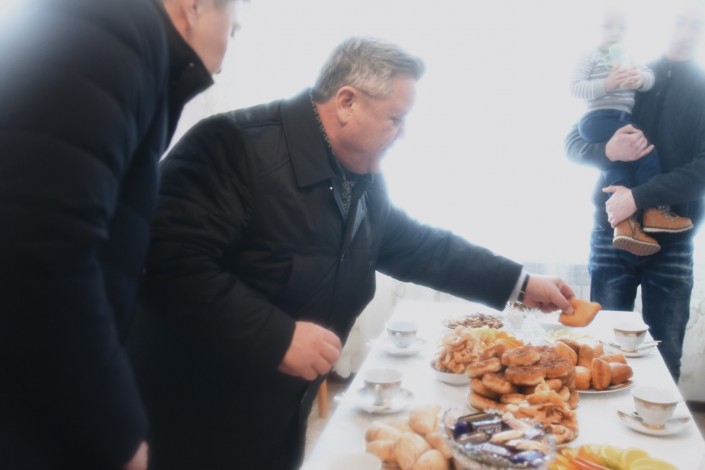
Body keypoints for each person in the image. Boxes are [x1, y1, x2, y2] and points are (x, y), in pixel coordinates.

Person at [127, 36, 575, 470]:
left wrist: (519, 283)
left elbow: (419, 246)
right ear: (346, 103)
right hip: (191, 416)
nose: (402, 134)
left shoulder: (358, 171)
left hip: (278, 412)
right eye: (395, 118)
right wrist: (275, 336)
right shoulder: (231, 144)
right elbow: (165, 262)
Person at [0, 0, 240, 468]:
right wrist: (118, 431)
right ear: (194, 6)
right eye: (235, 27)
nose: (230, 48)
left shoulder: (123, 42)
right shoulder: (111, 36)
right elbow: (45, 254)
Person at [565, 2, 705, 382]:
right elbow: (572, 142)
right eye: (680, 22)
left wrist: (639, 197)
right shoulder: (629, 72)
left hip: (672, 242)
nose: (686, 33)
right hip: (611, 234)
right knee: (601, 356)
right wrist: (606, 151)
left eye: (697, 26)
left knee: (664, 361)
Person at [570, 5, 693, 257]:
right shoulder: (590, 57)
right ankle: (654, 210)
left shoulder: (630, 57)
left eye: (621, 28)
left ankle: (625, 224)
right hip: (600, 117)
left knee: (618, 167)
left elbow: (648, 76)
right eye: (607, 26)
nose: (615, 33)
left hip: (619, 117)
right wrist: (607, 84)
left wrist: (640, 80)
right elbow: (575, 89)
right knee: (643, 150)